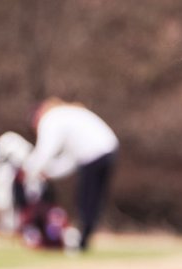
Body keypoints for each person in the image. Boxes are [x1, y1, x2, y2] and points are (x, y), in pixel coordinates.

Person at [21, 98, 119, 252]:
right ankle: (84, 239)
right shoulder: (67, 116)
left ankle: (81, 241)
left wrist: (30, 169)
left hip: (94, 155)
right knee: (93, 200)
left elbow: (46, 151)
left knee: (86, 198)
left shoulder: (51, 119)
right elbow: (70, 159)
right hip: (109, 149)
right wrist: (50, 173)